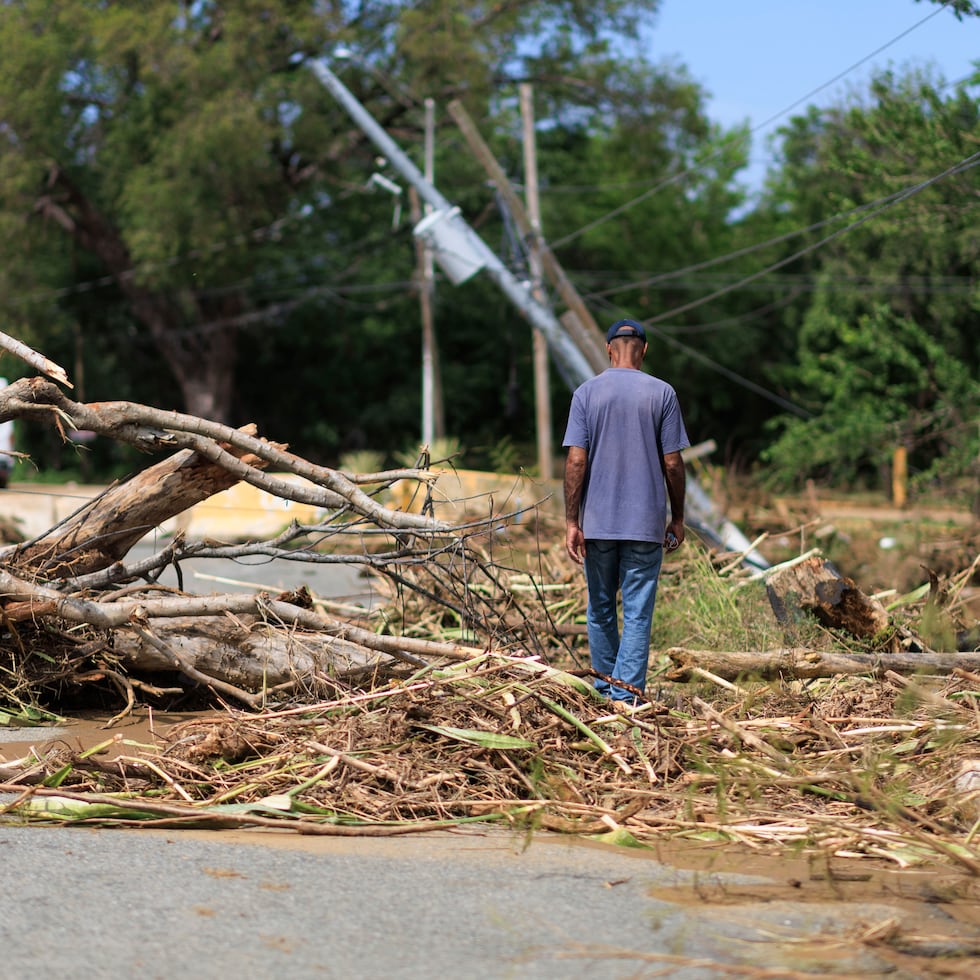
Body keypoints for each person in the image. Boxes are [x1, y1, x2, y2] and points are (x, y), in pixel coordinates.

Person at [562, 318, 689, 705]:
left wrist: (571, 521)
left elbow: (576, 462)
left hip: (598, 523)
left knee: (600, 609)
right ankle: (626, 697)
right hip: (644, 524)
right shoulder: (662, 394)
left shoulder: (586, 393)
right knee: (636, 612)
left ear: (608, 349)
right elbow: (672, 463)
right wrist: (678, 517)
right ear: (645, 351)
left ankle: (604, 689)